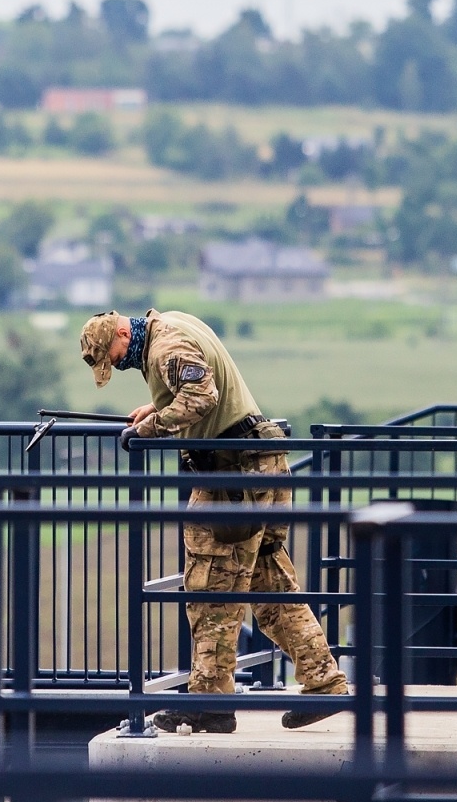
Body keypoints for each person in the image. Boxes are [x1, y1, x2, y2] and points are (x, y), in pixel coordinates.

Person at [78, 308, 349, 734]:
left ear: (120, 333)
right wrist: (158, 404)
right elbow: (202, 381)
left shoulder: (165, 346)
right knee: (271, 585)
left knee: (210, 589)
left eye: (110, 356)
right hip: (264, 466)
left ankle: (210, 703)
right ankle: (325, 682)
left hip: (232, 477)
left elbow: (204, 397)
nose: (114, 364)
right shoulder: (172, 324)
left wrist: (152, 428)